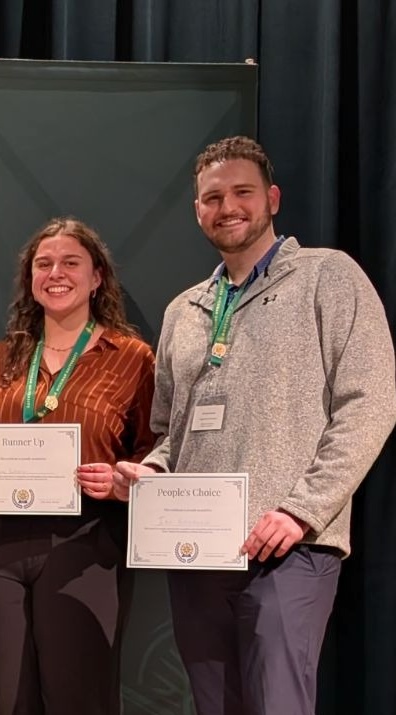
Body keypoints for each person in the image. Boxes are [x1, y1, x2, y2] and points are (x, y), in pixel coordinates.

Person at [114, 135, 396, 715]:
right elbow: (170, 432)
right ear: (197, 210)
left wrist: (302, 509)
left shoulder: (328, 276)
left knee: (278, 705)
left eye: (242, 192)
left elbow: (369, 403)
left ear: (272, 198)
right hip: (198, 552)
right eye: (212, 198)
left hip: (290, 546)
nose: (228, 207)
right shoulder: (183, 310)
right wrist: (151, 475)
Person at [0, 217, 155, 714]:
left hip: (85, 543)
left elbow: (154, 451)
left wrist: (123, 481)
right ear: (30, 279)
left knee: (78, 699)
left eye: (70, 262)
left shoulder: (132, 358)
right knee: (7, 700)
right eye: (44, 264)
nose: (56, 273)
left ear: (97, 277)